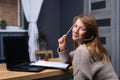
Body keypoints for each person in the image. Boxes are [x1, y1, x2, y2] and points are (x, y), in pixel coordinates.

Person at [57, 14, 119, 80]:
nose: (76, 31)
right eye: (75, 26)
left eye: (82, 29)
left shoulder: (82, 51)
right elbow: (68, 60)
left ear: (90, 33)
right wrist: (63, 48)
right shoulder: (93, 47)